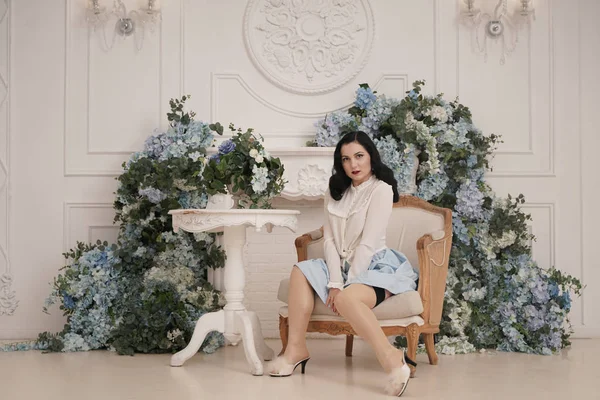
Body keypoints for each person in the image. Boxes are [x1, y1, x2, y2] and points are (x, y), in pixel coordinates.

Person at [268, 131, 419, 396]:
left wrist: (344, 287)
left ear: (371, 155)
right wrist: (334, 282)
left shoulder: (381, 190)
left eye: (359, 156)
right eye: (346, 159)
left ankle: (392, 358)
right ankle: (295, 350)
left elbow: (368, 244)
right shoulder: (335, 190)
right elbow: (329, 241)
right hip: (341, 263)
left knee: (348, 299)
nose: (354, 165)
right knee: (299, 271)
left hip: (374, 264)